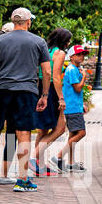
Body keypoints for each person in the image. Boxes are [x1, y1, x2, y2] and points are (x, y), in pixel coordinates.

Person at [0, 8, 52, 192]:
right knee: (23, 133)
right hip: (26, 92)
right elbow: (46, 71)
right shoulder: (39, 42)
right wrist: (45, 95)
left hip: (1, 90)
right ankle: (22, 180)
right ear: (28, 22)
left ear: (13, 21)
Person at [35, 28, 74, 173]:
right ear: (63, 40)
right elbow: (56, 77)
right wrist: (61, 98)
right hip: (51, 90)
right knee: (60, 128)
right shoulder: (60, 53)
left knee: (42, 129)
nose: (69, 43)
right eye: (68, 40)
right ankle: (34, 159)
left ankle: (39, 165)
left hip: (40, 87)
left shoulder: (46, 50)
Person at [49, 45, 89, 172]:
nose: (82, 56)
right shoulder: (72, 69)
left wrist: (81, 104)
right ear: (71, 57)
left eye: (83, 54)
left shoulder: (75, 69)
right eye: (79, 54)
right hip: (72, 108)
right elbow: (77, 88)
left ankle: (71, 163)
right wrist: (84, 77)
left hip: (74, 106)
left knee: (73, 134)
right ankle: (58, 156)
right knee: (82, 133)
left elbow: (74, 91)